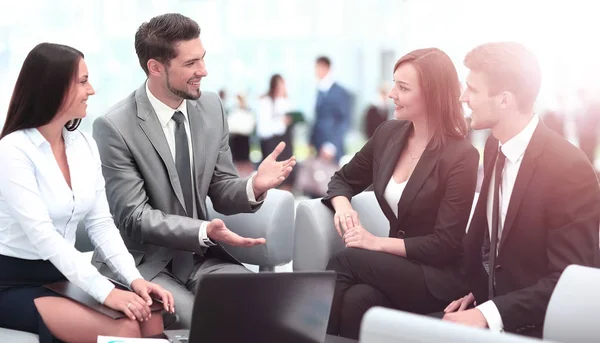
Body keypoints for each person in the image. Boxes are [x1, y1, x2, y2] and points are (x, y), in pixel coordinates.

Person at [92, 13, 295, 328]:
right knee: (200, 322)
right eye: (190, 64)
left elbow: (222, 186)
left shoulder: (211, 108)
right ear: (156, 67)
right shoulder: (115, 126)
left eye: (202, 59)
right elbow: (134, 217)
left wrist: (253, 186)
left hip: (201, 260)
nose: (203, 71)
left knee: (261, 305)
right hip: (144, 264)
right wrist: (202, 230)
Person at [0, 43, 173, 343]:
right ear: (53, 87)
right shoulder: (13, 151)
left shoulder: (83, 144)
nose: (91, 90)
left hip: (63, 276)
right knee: (126, 329)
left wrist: (134, 280)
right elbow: (44, 237)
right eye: (82, 81)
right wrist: (106, 293)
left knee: (150, 318)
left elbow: (101, 223)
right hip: (12, 282)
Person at [442, 42, 600, 338]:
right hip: (492, 306)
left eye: (472, 90)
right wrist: (479, 295)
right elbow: (495, 246)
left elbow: (568, 280)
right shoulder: (493, 146)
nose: (464, 98)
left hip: (536, 326)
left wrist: (488, 314)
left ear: (504, 100)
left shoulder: (569, 168)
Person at [323, 48, 479, 339]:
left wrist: (376, 243)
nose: (392, 93)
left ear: (432, 95)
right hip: (400, 268)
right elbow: (342, 179)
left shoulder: (461, 156)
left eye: (403, 88)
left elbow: (444, 244)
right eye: (394, 84)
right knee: (359, 299)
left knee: (346, 259)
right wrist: (343, 207)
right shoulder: (388, 134)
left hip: (438, 275)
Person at [256, 74, 294, 191]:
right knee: (274, 178)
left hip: (286, 143)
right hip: (272, 144)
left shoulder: (286, 101)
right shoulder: (265, 102)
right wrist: (281, 123)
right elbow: (263, 129)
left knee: (287, 175)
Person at [310, 56, 352, 162]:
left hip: (333, 148)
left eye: (318, 68)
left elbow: (344, 121)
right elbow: (317, 118)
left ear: (326, 68)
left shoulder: (340, 92)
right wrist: (311, 141)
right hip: (318, 146)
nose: (316, 71)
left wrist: (332, 145)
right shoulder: (319, 91)